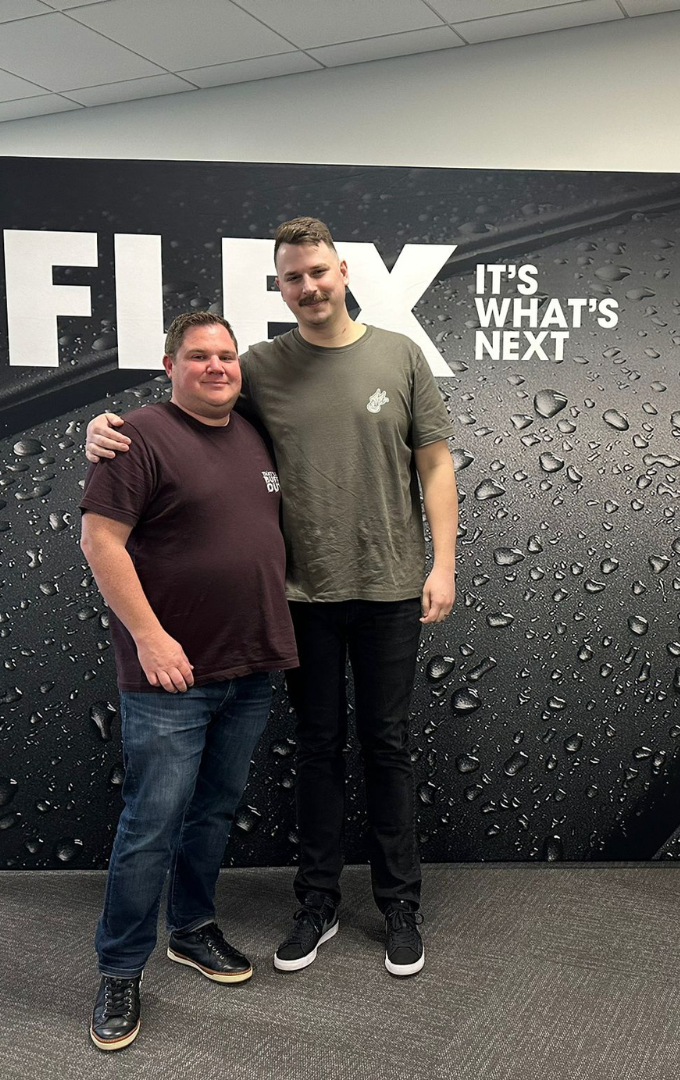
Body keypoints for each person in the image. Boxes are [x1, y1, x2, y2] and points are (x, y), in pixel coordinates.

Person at [86, 217, 457, 979]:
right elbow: (191, 406)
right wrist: (101, 427)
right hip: (302, 600)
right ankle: (317, 903)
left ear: (342, 271)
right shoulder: (258, 365)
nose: (309, 286)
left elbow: (436, 464)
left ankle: (399, 906)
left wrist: (442, 564)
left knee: (387, 747)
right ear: (281, 286)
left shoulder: (400, 354)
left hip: (390, 590)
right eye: (293, 277)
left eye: (318, 272)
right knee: (317, 751)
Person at [79, 310, 298, 1051]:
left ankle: (193, 928)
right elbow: (99, 540)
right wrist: (149, 636)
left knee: (213, 812)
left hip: (252, 664)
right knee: (151, 826)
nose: (217, 367)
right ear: (168, 364)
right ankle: (118, 970)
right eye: (199, 356)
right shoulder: (136, 435)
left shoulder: (255, 432)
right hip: (172, 673)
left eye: (228, 356)